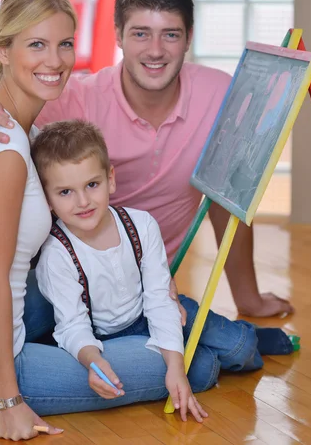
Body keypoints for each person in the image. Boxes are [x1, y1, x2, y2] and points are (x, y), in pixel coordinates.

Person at [0, 0, 294, 318]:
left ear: (189, 37)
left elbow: (227, 200)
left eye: (170, 35)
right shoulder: (73, 98)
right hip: (63, 283)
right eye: (140, 34)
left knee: (208, 357)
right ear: (119, 36)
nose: (155, 50)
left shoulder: (219, 96)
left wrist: (248, 299)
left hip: (143, 289)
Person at [0, 0, 176, 442]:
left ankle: (161, 310)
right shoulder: (7, 152)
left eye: (64, 44)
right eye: (36, 44)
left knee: (133, 305)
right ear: (2, 50)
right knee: (186, 364)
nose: (55, 61)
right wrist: (8, 402)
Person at [30, 119, 295, 422]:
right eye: (65, 192)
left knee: (241, 348)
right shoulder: (55, 254)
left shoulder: (140, 225)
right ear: (47, 199)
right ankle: (207, 351)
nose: (83, 201)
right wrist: (92, 361)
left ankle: (253, 336)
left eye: (92, 184)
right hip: (113, 340)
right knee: (201, 368)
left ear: (110, 179)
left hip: (158, 312)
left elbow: (158, 298)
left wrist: (174, 364)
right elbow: (71, 325)